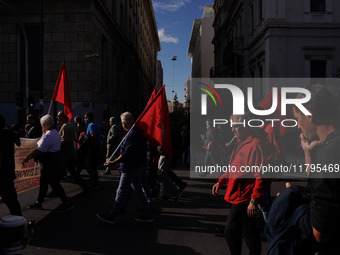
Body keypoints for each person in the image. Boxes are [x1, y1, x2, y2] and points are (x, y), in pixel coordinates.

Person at [291, 84, 340, 254]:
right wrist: (308, 154)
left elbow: (320, 233)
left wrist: (295, 201)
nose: (298, 126)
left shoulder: (328, 154)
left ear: (309, 115)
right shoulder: (331, 145)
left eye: (298, 119)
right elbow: (323, 186)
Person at [212, 113, 267, 255]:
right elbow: (233, 166)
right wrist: (221, 180)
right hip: (239, 194)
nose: (233, 130)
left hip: (245, 197)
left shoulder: (256, 145)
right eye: (232, 126)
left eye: (236, 126)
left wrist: (254, 200)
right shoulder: (240, 142)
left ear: (246, 126)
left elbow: (261, 176)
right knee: (248, 229)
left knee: (230, 230)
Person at [97, 112, 153, 224]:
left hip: (131, 167)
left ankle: (113, 214)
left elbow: (127, 153)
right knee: (138, 190)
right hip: (135, 166)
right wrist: (118, 163)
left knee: (121, 190)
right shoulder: (131, 132)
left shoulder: (133, 134)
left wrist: (113, 162)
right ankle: (147, 213)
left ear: (123, 123)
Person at [23, 114, 73, 212]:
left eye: (42, 125)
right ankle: (39, 202)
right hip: (53, 161)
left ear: (44, 125)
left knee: (54, 184)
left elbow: (39, 150)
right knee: (44, 183)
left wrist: (28, 157)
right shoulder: (55, 133)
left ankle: (66, 203)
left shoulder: (48, 136)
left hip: (49, 163)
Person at [57, 110, 88, 193]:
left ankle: (56, 190)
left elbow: (64, 141)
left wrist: (55, 145)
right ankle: (84, 186)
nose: (57, 118)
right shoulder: (70, 126)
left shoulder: (64, 127)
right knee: (72, 172)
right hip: (69, 153)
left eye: (59, 116)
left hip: (66, 154)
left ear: (63, 117)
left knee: (62, 172)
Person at [0, 115, 22, 216]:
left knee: (10, 199)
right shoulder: (9, 133)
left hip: (2, 173)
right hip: (8, 171)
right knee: (12, 201)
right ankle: (19, 222)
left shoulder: (1, 135)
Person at [84, 112, 102, 188]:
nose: (84, 119)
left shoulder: (91, 125)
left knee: (90, 165)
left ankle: (95, 182)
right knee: (92, 165)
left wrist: (87, 138)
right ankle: (94, 181)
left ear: (88, 118)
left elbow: (93, 135)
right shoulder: (95, 125)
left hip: (93, 147)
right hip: (96, 146)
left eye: (85, 118)